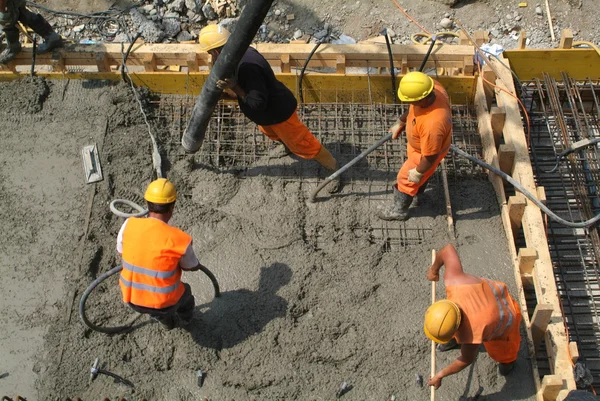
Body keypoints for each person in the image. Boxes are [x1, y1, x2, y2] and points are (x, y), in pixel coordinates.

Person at [198, 24, 340, 192]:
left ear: (215, 52)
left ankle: (334, 170)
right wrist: (228, 95)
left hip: (279, 114)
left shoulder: (247, 67)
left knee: (303, 143)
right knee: (271, 133)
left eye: (210, 55)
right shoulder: (241, 54)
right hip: (267, 116)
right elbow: (251, 93)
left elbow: (257, 103)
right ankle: (288, 146)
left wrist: (235, 87)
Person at [424, 244, 522, 389]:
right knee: (449, 326)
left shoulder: (472, 335)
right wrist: (434, 270)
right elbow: (447, 250)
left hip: (507, 316)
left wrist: (440, 375)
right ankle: (452, 340)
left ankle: (508, 363)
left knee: (503, 352)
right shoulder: (455, 281)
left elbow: (466, 359)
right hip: (492, 293)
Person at [117, 178, 206, 330]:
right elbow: (190, 266)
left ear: (147, 203)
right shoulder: (179, 240)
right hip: (163, 302)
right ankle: (186, 320)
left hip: (131, 298)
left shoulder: (129, 224)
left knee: (158, 313)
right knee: (186, 296)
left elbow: (121, 250)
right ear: (172, 207)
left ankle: (166, 323)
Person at [378, 71, 453, 221]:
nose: (410, 104)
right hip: (421, 146)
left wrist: (418, 172)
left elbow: (430, 156)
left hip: (424, 156)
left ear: (421, 98)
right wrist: (402, 121)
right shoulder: (431, 87)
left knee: (405, 179)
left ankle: (399, 211)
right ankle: (418, 192)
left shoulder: (433, 124)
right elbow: (414, 108)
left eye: (412, 100)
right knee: (418, 177)